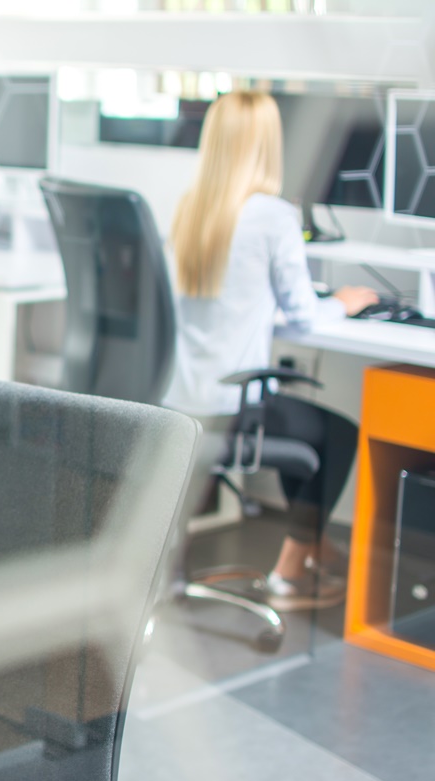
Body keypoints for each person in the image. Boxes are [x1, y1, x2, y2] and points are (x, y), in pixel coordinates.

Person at [162, 90, 378, 610]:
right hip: (235, 407)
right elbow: (304, 317)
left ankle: (315, 548)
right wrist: (344, 304)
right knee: (337, 434)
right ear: (267, 146)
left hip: (181, 402)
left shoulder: (192, 208)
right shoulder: (273, 216)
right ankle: (290, 571)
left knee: (299, 425)